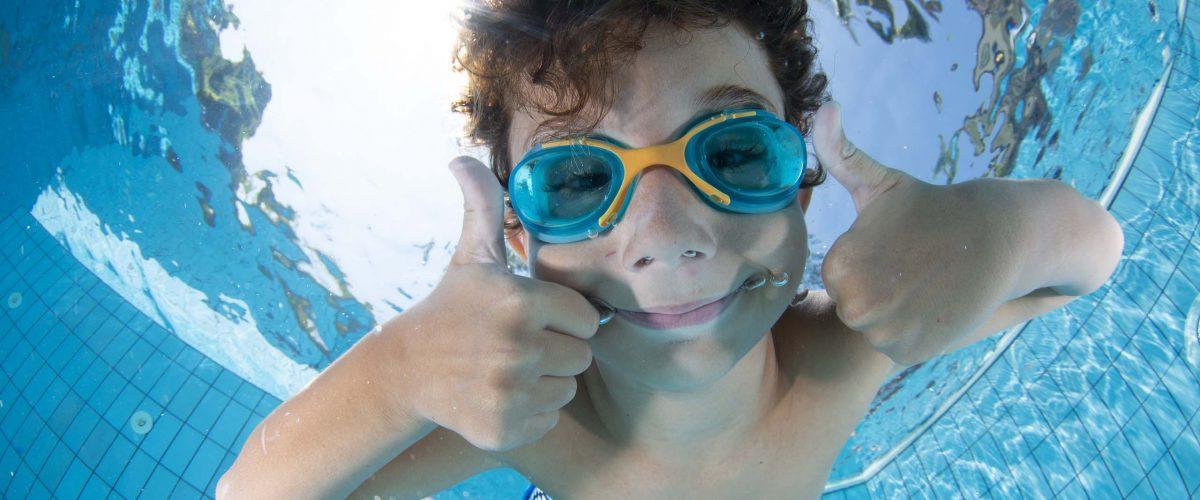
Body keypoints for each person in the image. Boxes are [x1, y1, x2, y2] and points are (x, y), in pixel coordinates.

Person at [216, 1, 1125, 498]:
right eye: (578, 181)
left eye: (731, 151)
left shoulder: (842, 354)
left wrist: (992, 231)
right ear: (516, 238)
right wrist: (400, 373)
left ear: (806, 184)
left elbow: (1089, 255)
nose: (668, 239)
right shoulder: (537, 414)